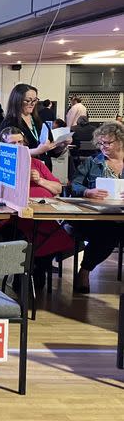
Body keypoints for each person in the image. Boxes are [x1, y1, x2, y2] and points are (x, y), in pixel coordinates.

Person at [0, 127, 72, 292]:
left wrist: (40, 180)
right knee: (28, 235)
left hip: (42, 215)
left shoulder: (37, 163)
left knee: (56, 233)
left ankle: (38, 270)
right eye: (13, 143)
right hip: (12, 218)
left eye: (21, 142)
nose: (18, 146)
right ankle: (27, 275)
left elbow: (57, 188)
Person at [69, 122, 124, 293]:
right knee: (108, 233)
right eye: (100, 143)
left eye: (108, 143)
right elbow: (74, 185)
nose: (103, 147)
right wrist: (87, 191)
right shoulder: (93, 162)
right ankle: (85, 271)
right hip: (97, 215)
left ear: (120, 141)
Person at [0, 83, 68, 170]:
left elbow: (51, 152)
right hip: (24, 170)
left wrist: (62, 144)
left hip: (44, 170)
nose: (32, 104)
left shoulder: (39, 121)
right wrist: (37, 151)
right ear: (17, 101)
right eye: (27, 100)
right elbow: (9, 153)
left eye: (35, 100)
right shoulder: (9, 123)